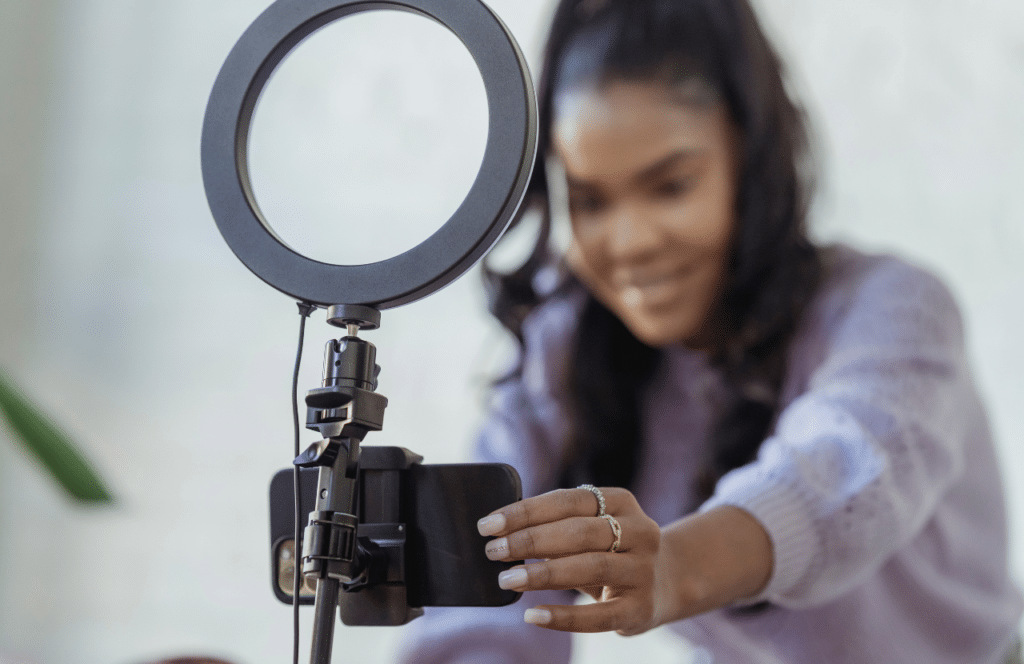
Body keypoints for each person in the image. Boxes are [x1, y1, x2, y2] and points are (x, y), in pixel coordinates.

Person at [398, 0, 1023, 662]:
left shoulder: (893, 308)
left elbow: (842, 472)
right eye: (591, 201)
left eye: (671, 186)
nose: (630, 243)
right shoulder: (562, 349)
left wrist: (674, 568)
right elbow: (477, 610)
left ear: (748, 158)